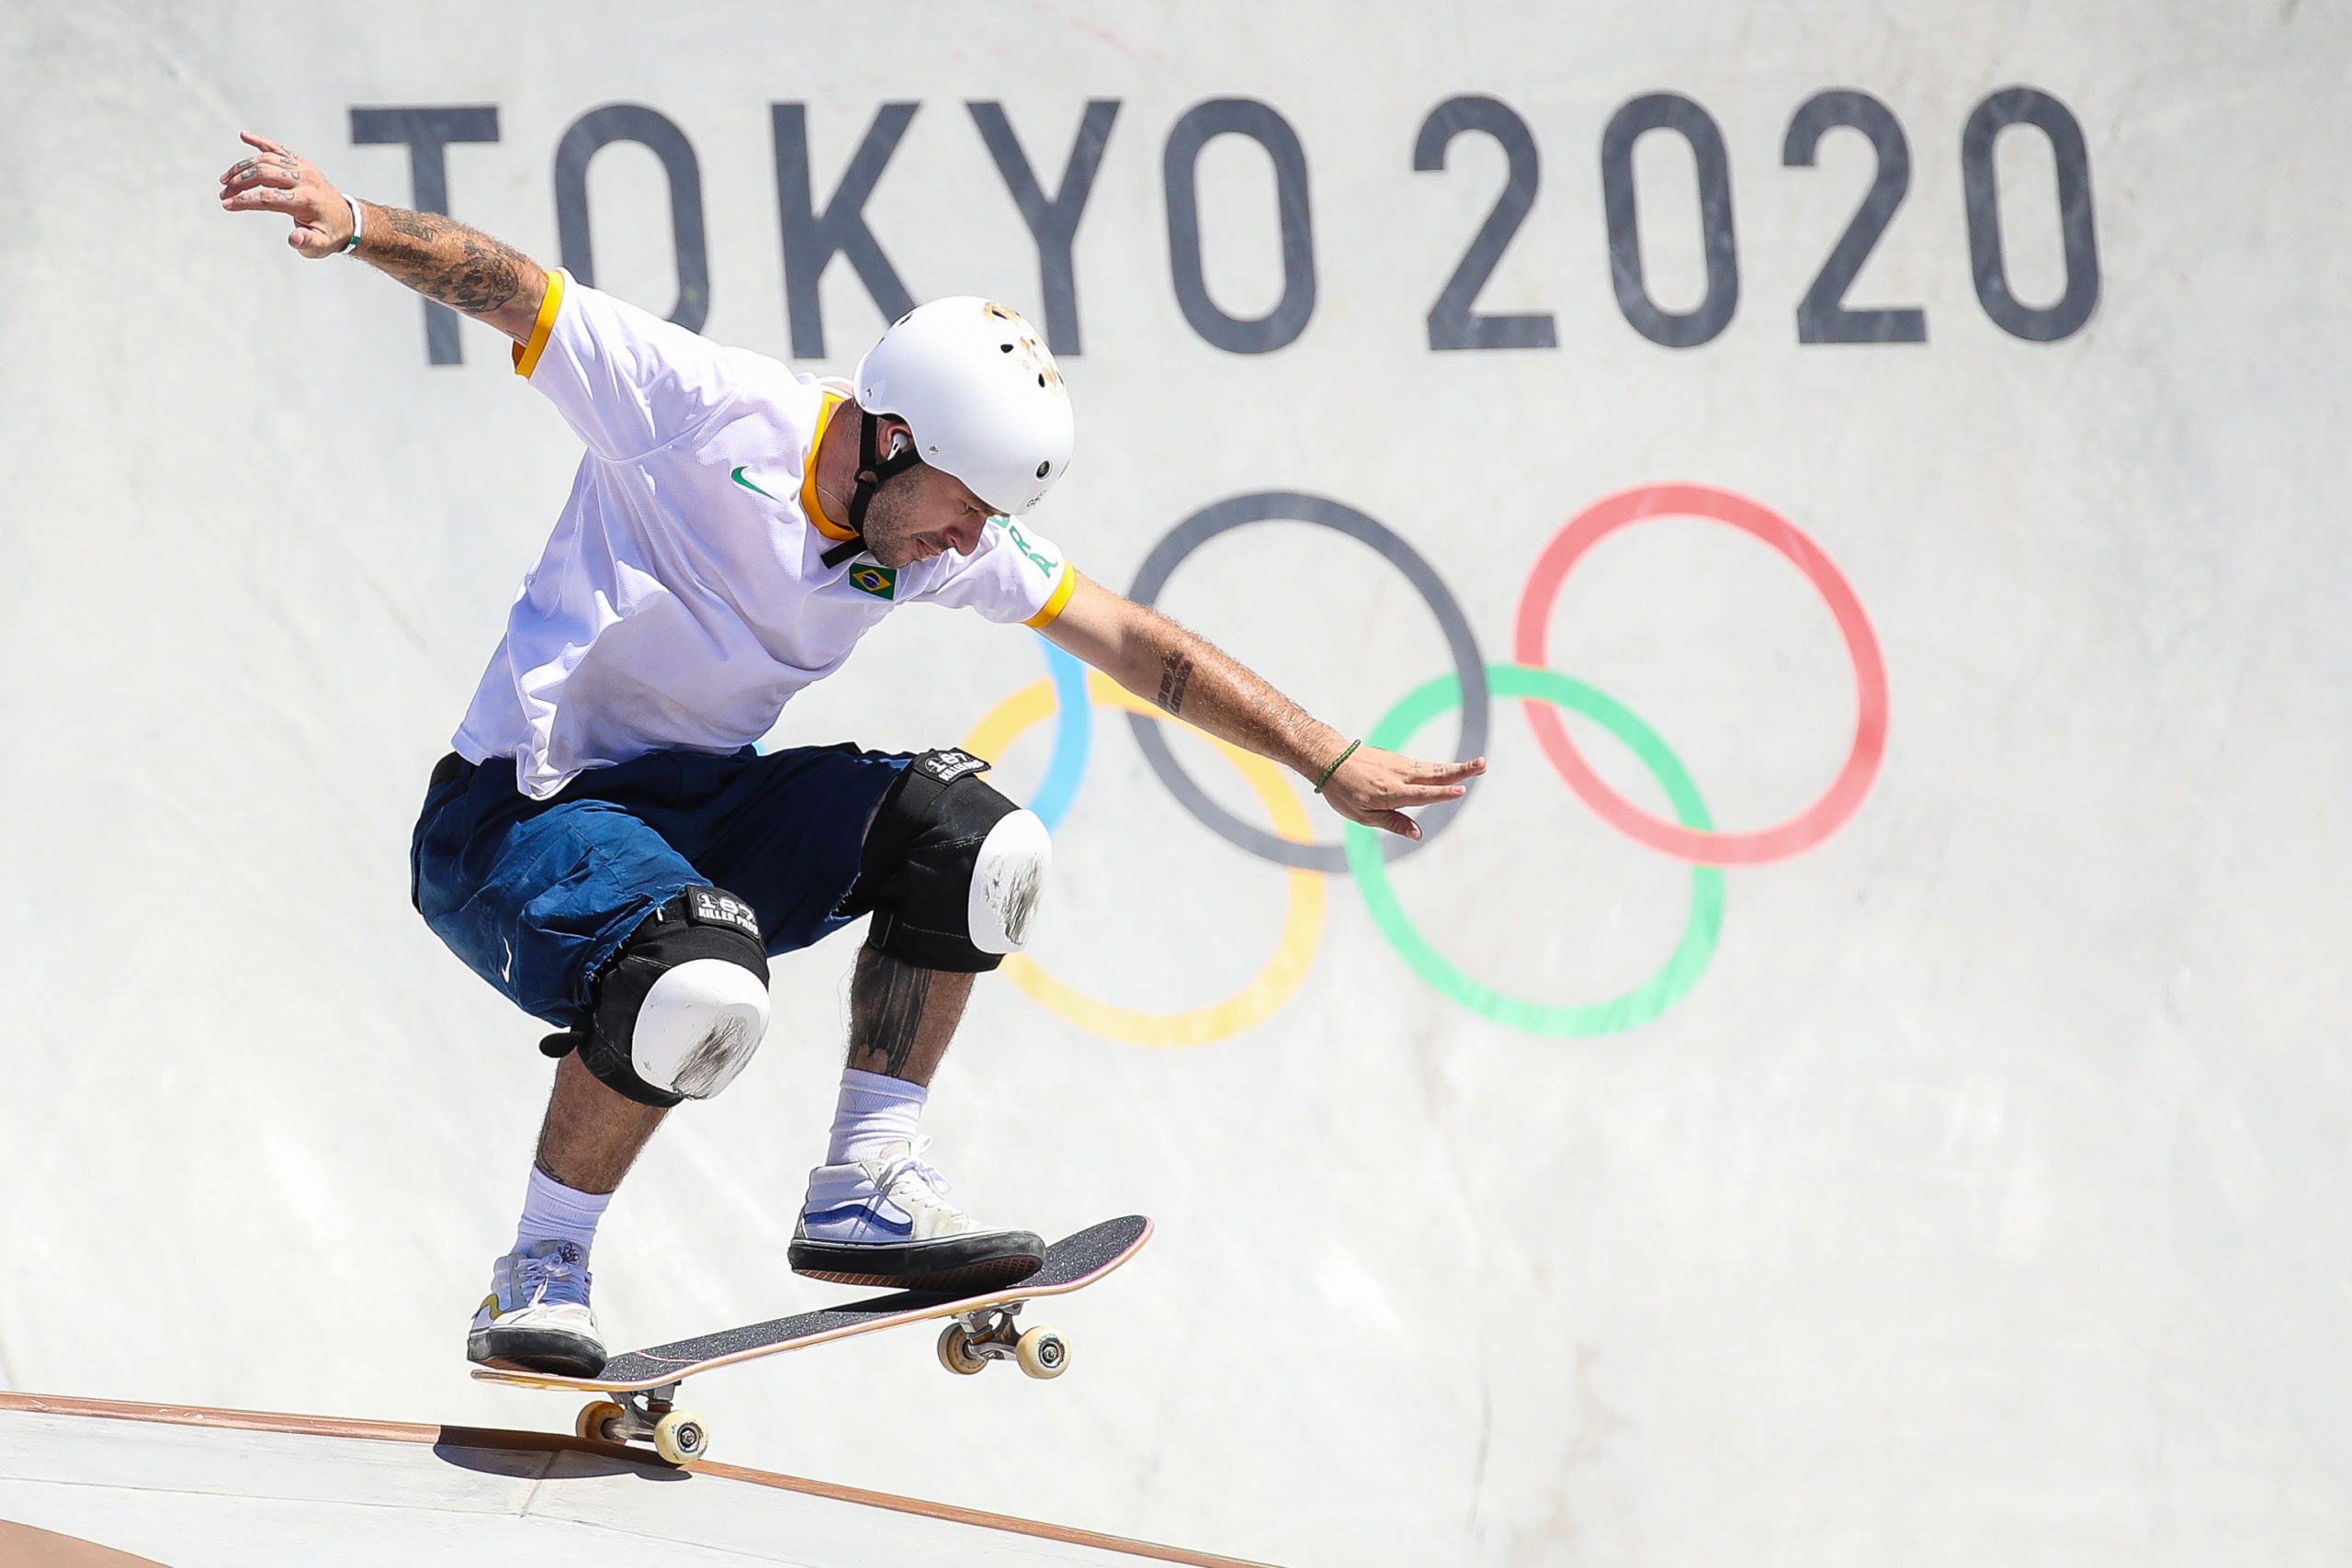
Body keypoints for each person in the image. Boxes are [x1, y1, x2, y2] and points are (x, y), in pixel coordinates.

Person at [220, 130, 1485, 1377]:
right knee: (701, 976)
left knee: (975, 839)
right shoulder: (703, 409)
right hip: (515, 821)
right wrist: (361, 224)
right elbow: (514, 289)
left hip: (695, 810)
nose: (964, 542)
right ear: (888, 437)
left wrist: (1328, 759)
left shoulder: (939, 529)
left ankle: (864, 1185)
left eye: (988, 523)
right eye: (958, 508)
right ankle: (543, 1268)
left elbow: (1134, 640)